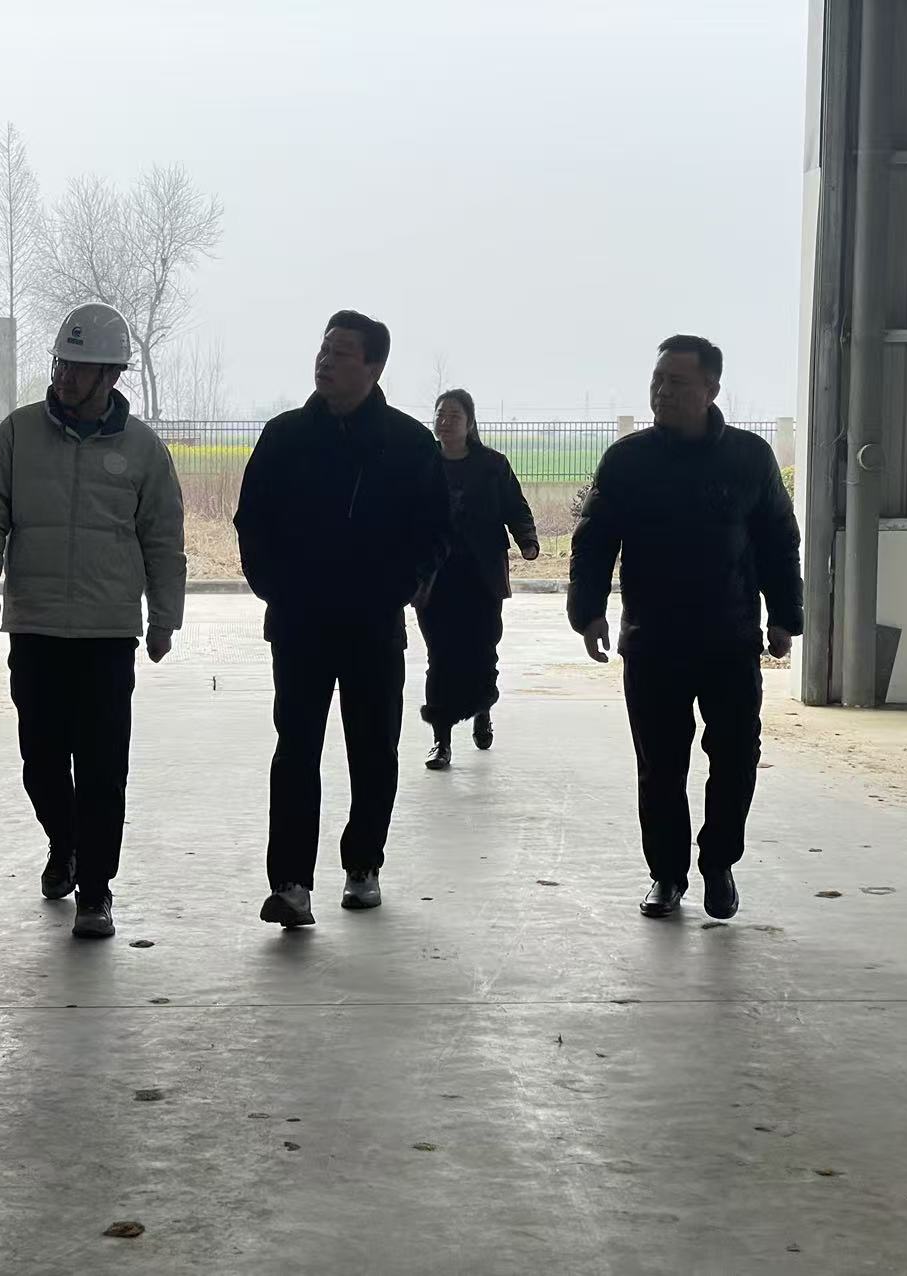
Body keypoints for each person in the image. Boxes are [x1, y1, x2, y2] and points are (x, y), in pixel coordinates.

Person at [0, 302, 187, 940]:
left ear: (110, 375)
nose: (63, 377)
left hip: (108, 634)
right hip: (35, 627)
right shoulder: (18, 434)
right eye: (60, 363)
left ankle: (96, 890)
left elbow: (163, 538)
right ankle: (65, 843)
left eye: (79, 368)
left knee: (103, 766)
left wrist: (165, 617)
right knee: (41, 761)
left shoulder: (142, 449)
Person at [567, 335, 801, 921]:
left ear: (711, 389)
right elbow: (594, 541)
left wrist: (785, 616)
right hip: (653, 641)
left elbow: (778, 540)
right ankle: (666, 875)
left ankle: (718, 862)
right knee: (661, 766)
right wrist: (588, 611)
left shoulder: (748, 459)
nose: (662, 392)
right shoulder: (628, 461)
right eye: (657, 381)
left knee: (737, 756)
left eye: (677, 382)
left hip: (730, 639)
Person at [234, 310, 449, 926]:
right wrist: (275, 588)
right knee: (296, 749)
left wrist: (403, 585)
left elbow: (435, 530)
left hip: (372, 625)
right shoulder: (284, 437)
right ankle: (290, 884)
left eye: (342, 353)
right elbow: (252, 521)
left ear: (374, 366)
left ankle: (363, 864)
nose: (325, 362)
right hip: (299, 623)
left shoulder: (408, 444)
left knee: (373, 750)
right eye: (323, 350)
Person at [416, 389, 539, 770]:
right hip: (435, 578)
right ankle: (441, 739)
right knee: (440, 655)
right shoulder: (423, 464)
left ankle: (482, 709)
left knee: (482, 649)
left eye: (454, 415)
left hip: (481, 576)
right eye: (440, 414)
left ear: (470, 423)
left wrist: (527, 540)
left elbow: (515, 506)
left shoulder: (492, 465)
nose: (445, 421)